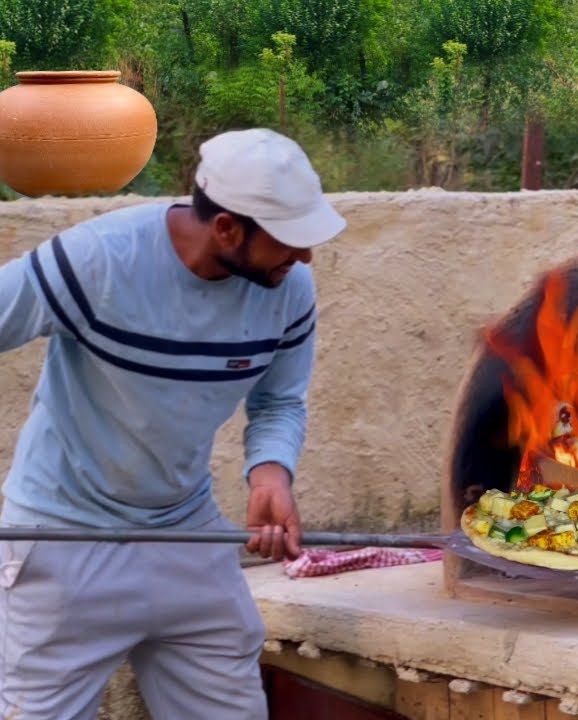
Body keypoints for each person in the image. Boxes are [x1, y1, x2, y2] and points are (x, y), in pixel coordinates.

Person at [0, 127, 346, 719]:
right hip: (64, 541)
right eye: (291, 240)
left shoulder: (289, 290)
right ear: (228, 229)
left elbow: (278, 402)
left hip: (187, 534)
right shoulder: (96, 261)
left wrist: (270, 476)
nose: (307, 256)